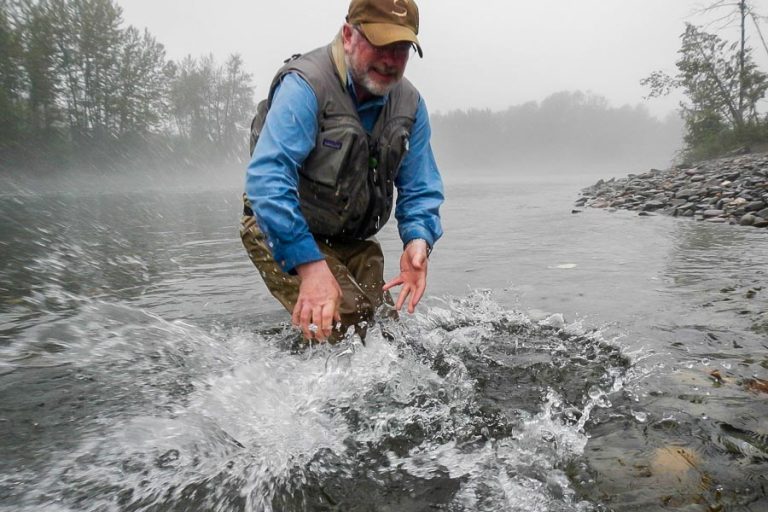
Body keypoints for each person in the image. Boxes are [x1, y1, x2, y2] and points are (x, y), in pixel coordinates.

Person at [241, 0, 443, 343]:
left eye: (401, 48)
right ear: (348, 35)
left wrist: (418, 240)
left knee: (388, 337)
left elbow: (421, 187)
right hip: (281, 226)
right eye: (380, 44)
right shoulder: (305, 86)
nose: (390, 60)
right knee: (350, 330)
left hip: (355, 240)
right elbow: (267, 179)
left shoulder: (410, 105)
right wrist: (309, 265)